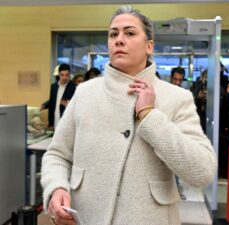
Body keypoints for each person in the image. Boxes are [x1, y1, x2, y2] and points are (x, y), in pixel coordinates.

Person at [41, 6, 217, 225]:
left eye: (130, 33)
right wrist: (56, 186)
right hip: (86, 217)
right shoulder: (85, 92)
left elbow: (202, 172)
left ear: (149, 46)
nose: (119, 40)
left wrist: (149, 116)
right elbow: (57, 155)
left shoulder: (176, 97)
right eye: (113, 34)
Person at [42, 63, 76, 129]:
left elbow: (77, 105)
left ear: (69, 74)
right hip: (55, 121)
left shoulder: (74, 87)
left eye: (67, 75)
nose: (64, 77)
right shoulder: (53, 87)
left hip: (67, 122)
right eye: (62, 75)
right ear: (59, 75)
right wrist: (50, 123)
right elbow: (52, 104)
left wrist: (68, 104)